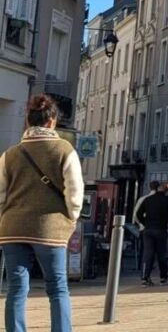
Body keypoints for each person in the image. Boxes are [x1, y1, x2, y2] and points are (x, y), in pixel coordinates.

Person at [0, 93, 84, 332]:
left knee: (16, 287)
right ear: (52, 121)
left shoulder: (11, 154)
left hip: (12, 227)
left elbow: (0, 194)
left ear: (28, 121)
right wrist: (71, 218)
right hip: (50, 228)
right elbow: (75, 192)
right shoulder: (64, 149)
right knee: (57, 288)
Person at [132, 180, 168, 285]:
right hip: (160, 229)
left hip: (147, 230)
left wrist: (144, 223)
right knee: (161, 254)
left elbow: (138, 214)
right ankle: (163, 276)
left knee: (147, 254)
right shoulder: (166, 199)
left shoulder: (147, 199)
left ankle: (145, 278)